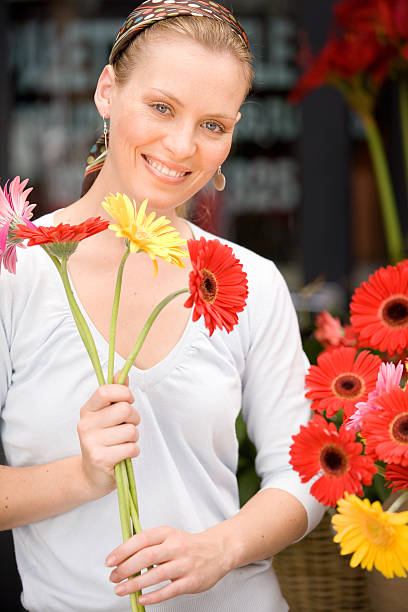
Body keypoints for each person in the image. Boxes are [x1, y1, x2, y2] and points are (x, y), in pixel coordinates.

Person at [0, 2, 325, 610]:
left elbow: (305, 472)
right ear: (106, 90)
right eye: (161, 107)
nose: (181, 147)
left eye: (213, 125)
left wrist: (221, 549)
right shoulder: (18, 272)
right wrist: (84, 476)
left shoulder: (249, 282)